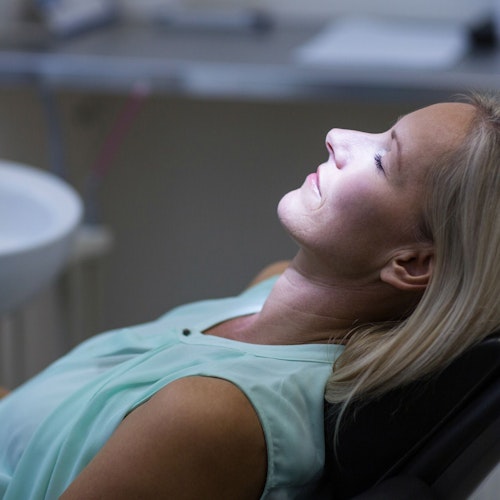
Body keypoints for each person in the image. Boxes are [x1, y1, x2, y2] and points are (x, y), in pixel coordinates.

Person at [0, 92, 499, 499]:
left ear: (410, 263)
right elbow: (47, 425)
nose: (336, 137)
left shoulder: (211, 416)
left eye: (382, 158)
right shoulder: (268, 289)